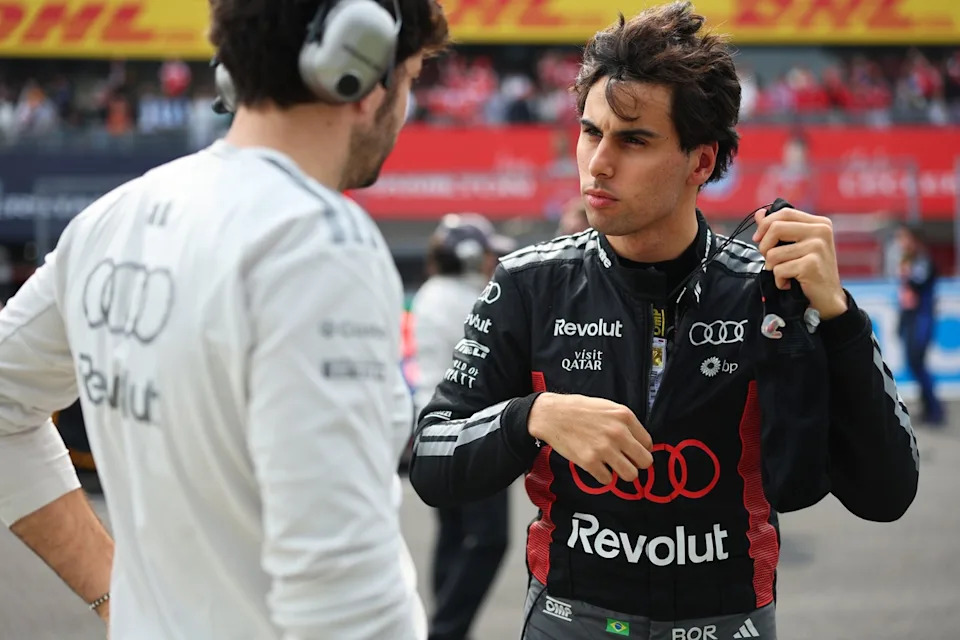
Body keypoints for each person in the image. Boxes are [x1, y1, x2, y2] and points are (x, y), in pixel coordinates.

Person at [408, 4, 919, 639]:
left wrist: (838, 317)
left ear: (700, 162)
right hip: (571, 621)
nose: (598, 163)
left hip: (727, 624)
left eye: (634, 140)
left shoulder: (769, 292)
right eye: (591, 133)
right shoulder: (528, 284)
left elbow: (889, 493)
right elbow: (431, 458)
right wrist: (531, 416)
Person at [0, 1, 448, 639]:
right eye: (409, 77)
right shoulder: (312, 241)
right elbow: (346, 600)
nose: (404, 107)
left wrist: (115, 594)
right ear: (357, 69)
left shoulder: (114, 217)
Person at [411, 213, 515, 640]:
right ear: (471, 256)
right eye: (488, 251)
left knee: (455, 532)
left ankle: (444, 627)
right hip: (468, 429)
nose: (493, 259)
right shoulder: (466, 299)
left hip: (433, 424)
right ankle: (447, 630)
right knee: (489, 539)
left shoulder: (433, 293)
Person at [896, 223, 945, 425]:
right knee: (913, 363)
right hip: (911, 318)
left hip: (922, 318)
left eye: (904, 238)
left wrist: (907, 273)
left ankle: (935, 410)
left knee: (918, 362)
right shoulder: (910, 260)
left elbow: (919, 283)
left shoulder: (922, 261)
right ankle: (928, 407)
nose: (900, 243)